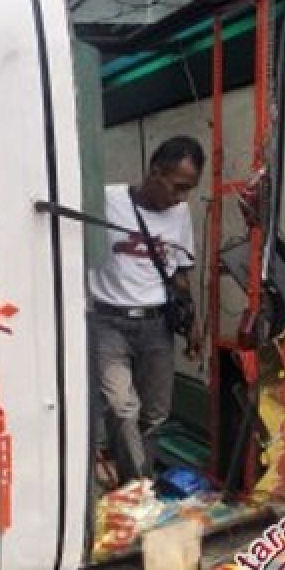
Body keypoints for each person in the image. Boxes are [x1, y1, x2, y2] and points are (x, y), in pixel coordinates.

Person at [88, 136, 204, 487]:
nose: (182, 197)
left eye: (189, 189)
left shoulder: (180, 213)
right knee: (122, 408)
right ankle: (138, 487)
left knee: (155, 414)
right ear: (155, 172)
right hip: (109, 322)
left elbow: (179, 270)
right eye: (178, 186)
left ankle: (132, 475)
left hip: (156, 325)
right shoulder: (105, 200)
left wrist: (193, 324)